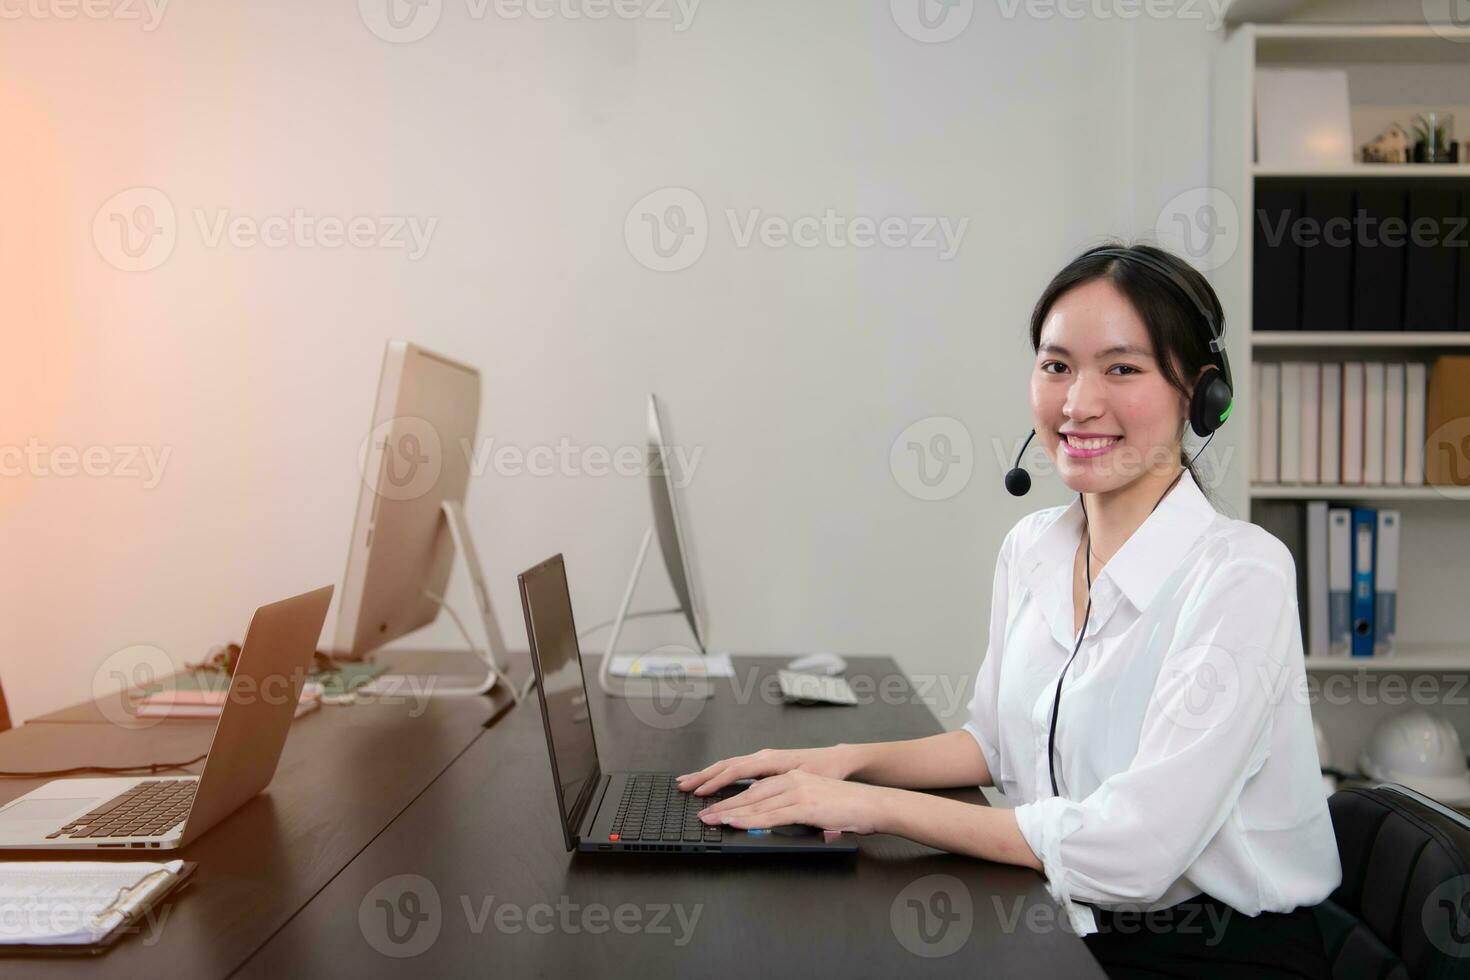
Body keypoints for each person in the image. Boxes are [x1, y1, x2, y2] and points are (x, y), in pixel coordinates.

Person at [676, 243, 1341, 977]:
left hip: (1217, 951)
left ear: (1203, 395)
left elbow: (1138, 852)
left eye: (1122, 368)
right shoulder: (1033, 547)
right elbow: (996, 742)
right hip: (1071, 914)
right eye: (1057, 366)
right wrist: (840, 765)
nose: (1078, 403)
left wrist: (876, 808)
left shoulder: (1240, 577)